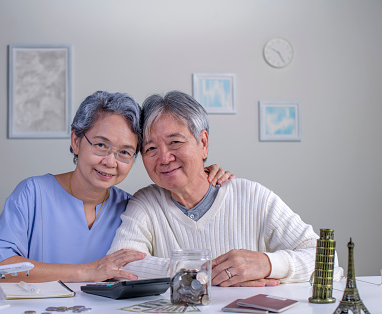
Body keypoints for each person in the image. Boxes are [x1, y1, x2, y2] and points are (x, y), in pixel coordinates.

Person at [0, 90, 233, 283]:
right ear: (76, 141)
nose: (110, 162)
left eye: (125, 152)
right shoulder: (32, 194)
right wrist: (86, 272)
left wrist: (202, 174)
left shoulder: (132, 207)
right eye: (101, 145)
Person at [108, 90, 343, 287]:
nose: (165, 158)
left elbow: (327, 261)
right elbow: (120, 265)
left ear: (203, 143)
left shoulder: (251, 196)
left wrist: (268, 264)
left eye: (175, 142)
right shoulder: (146, 203)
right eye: (150, 149)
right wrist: (208, 272)